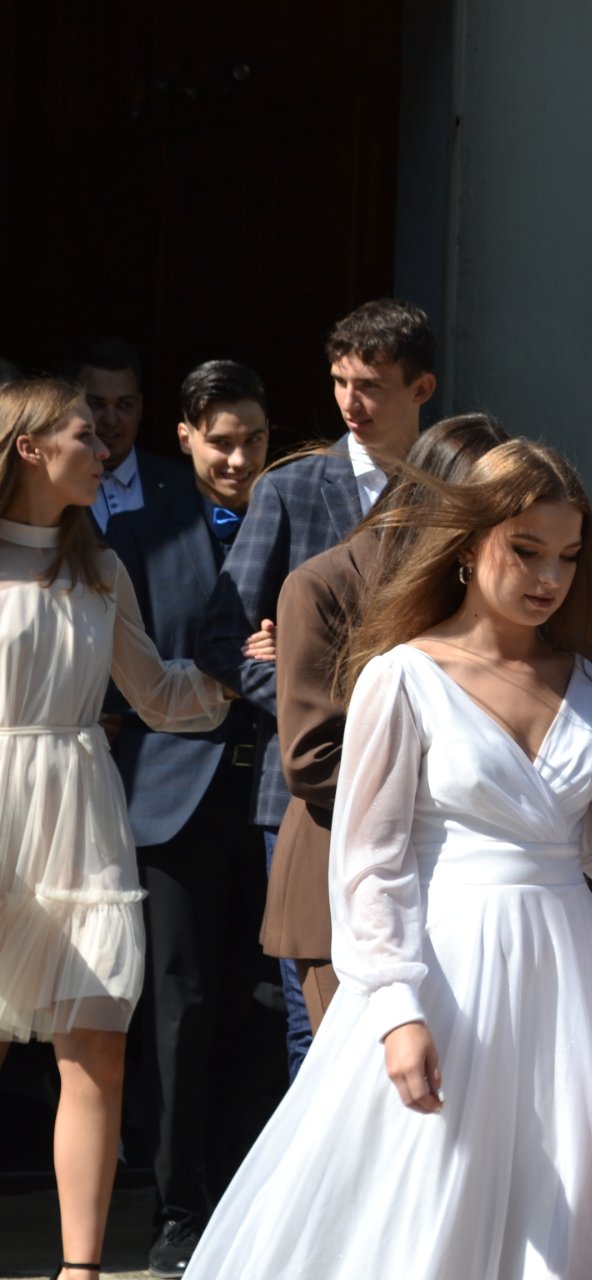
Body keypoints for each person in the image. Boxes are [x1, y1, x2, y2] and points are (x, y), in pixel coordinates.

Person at [184, 440, 592, 1280]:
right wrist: (397, 1009)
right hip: (441, 967)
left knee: (560, 1201)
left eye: (567, 556)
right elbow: (368, 863)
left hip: (569, 970)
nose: (549, 577)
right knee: (420, 1196)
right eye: (526, 549)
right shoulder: (402, 676)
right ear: (468, 543)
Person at [0, 378, 233, 1280]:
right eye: (84, 436)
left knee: (97, 1042)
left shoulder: (100, 567)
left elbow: (158, 696)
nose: (105, 451)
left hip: (81, 813)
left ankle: (81, 1270)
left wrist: (240, 675)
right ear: (30, 448)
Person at [196, 298, 438, 1077]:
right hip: (310, 788)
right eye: (339, 382)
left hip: (430, 781)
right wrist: (310, 694)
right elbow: (221, 637)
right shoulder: (292, 487)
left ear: (422, 389)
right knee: (317, 1022)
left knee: (422, 1004)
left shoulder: (452, 491)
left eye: (370, 385)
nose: (349, 403)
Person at [103, 360, 277, 1277]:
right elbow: (117, 680)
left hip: (277, 796)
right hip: (172, 799)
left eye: (254, 440)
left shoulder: (294, 526)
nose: (238, 459)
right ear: (184, 437)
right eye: (220, 442)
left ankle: (256, 1196)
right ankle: (178, 1210)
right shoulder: (135, 533)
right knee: (181, 1005)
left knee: (268, 1001)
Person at [264, 414, 511, 1031]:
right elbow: (311, 757)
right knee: (353, 1082)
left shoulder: (479, 591)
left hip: (460, 890)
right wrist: (465, 792)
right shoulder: (324, 584)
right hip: (341, 878)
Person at [69, 338, 151, 530]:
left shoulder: (181, 486)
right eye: (96, 404)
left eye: (125, 405)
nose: (111, 420)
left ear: (139, 408)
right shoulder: (50, 488)